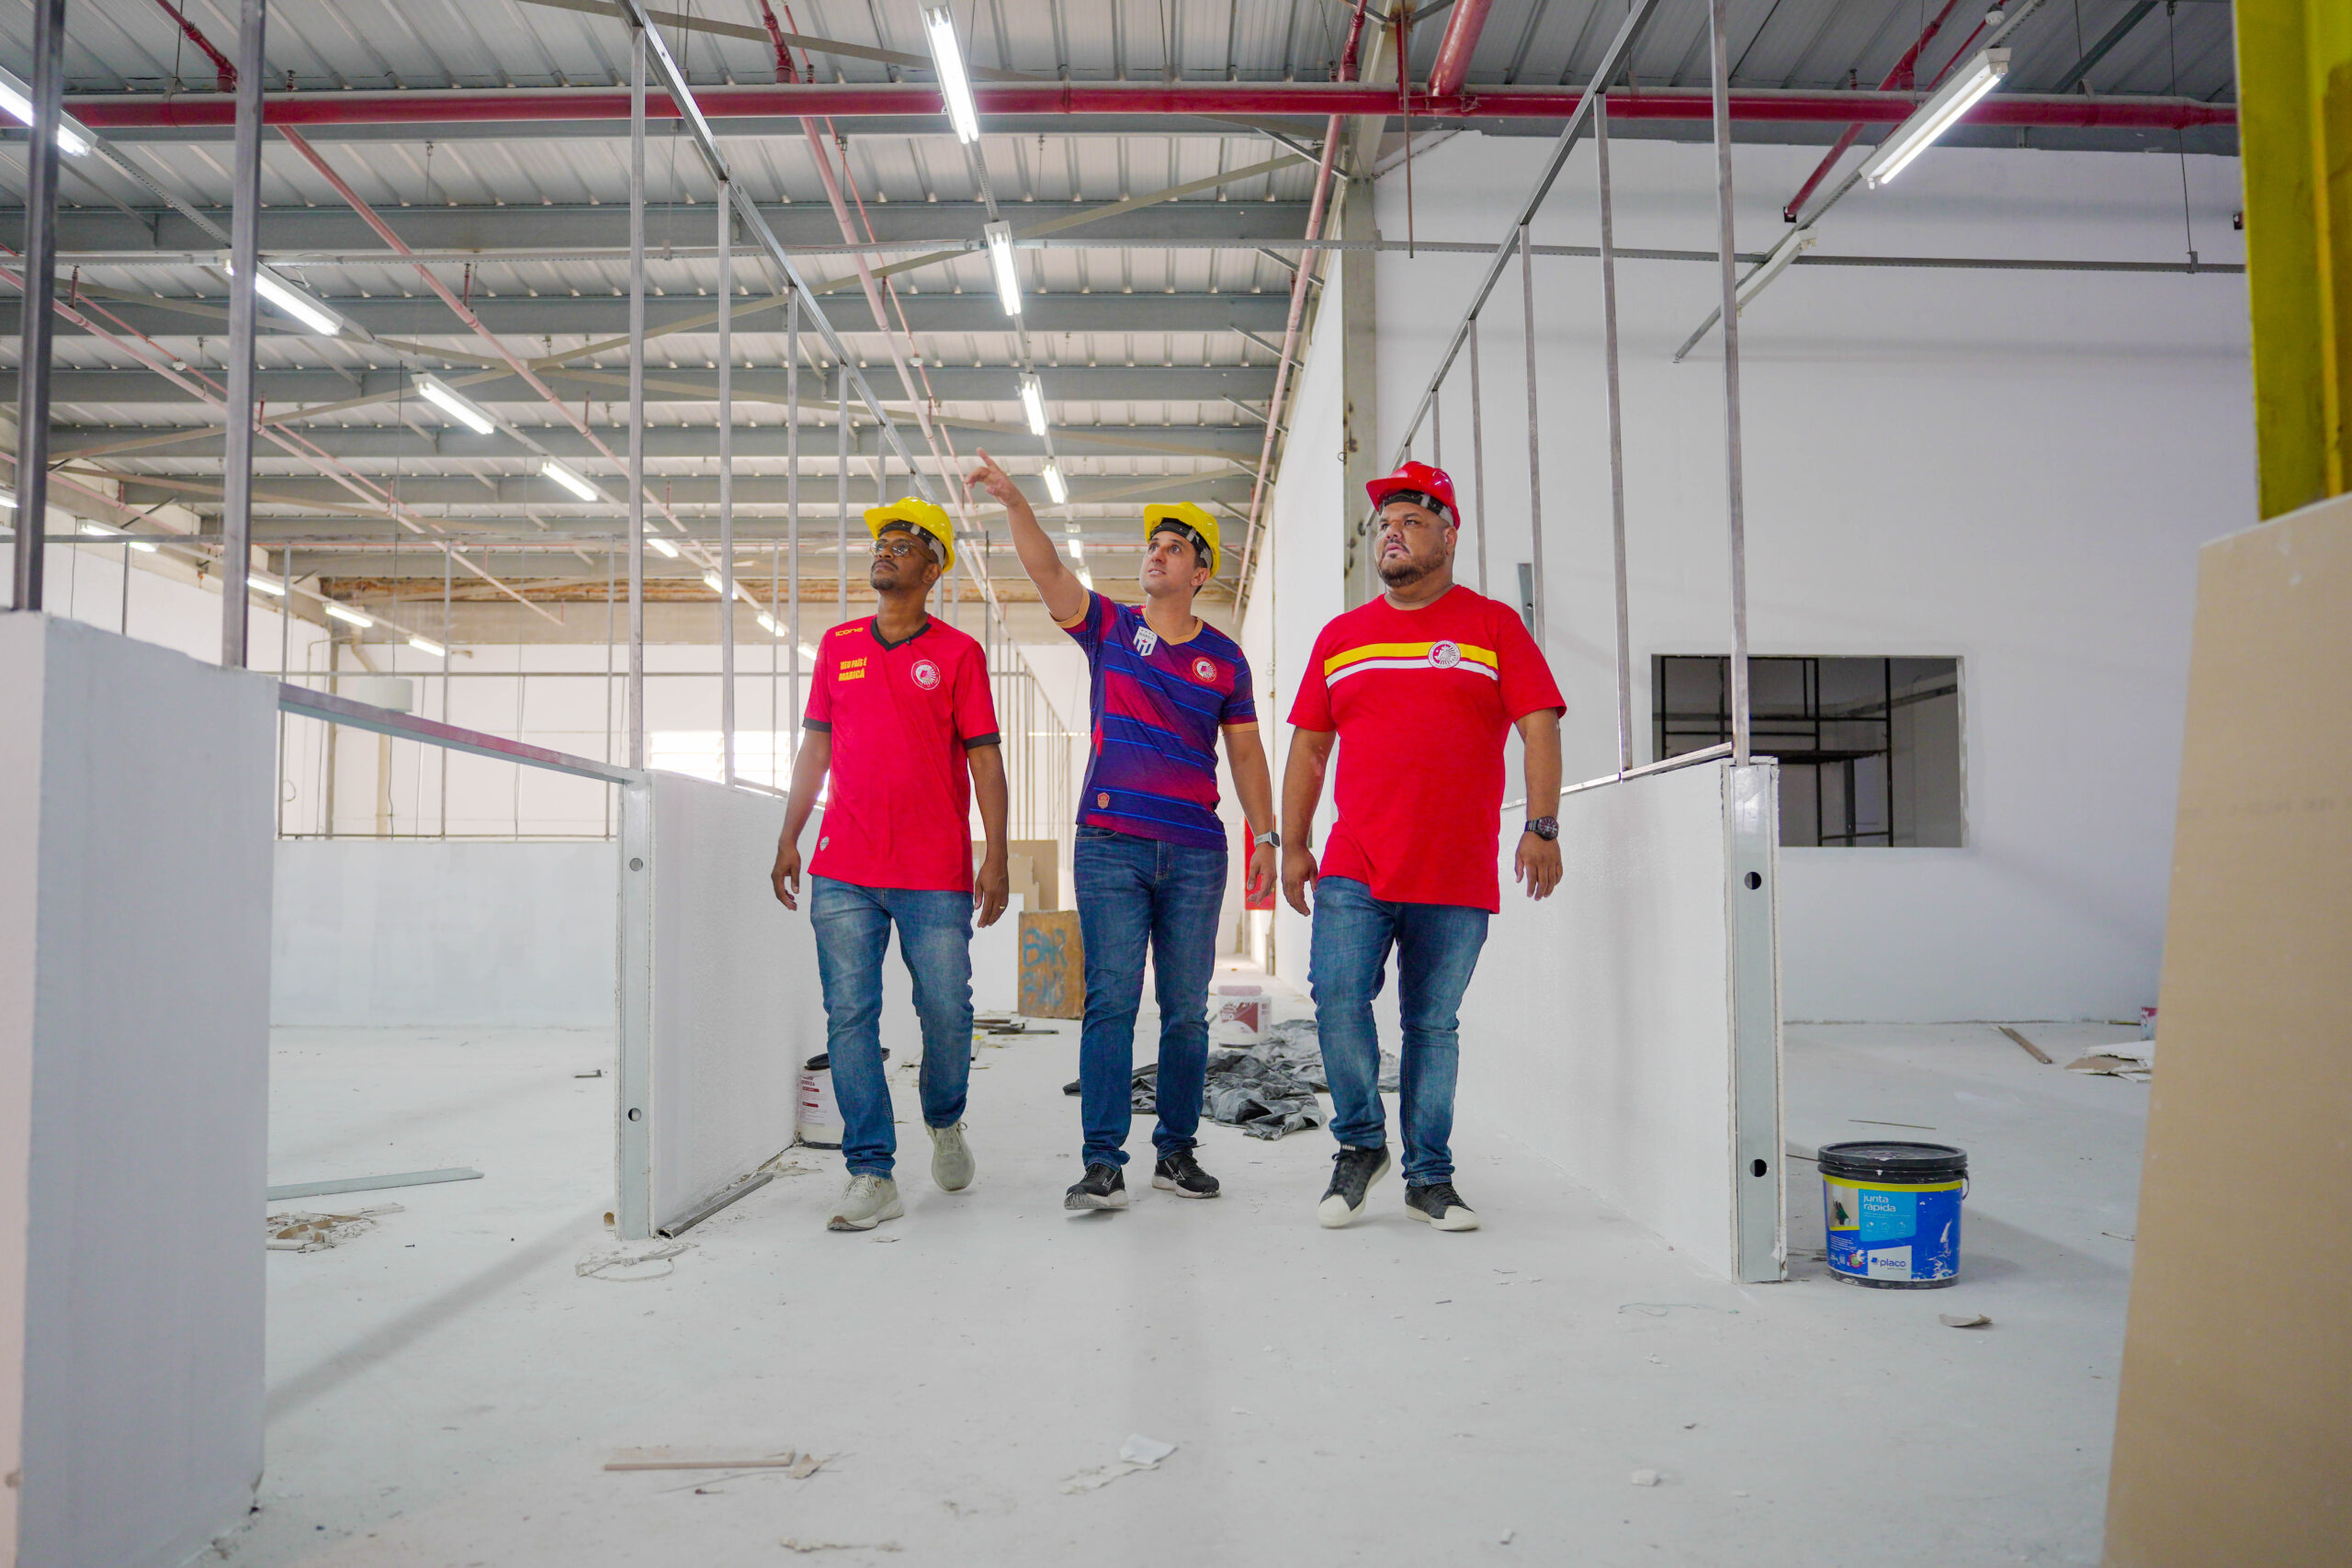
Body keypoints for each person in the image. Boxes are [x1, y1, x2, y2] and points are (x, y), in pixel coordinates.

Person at [964, 452, 1279, 1213]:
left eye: (1173, 547)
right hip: (1109, 845)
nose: (1156, 553)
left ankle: (1175, 1153)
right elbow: (1048, 576)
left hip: (1197, 853)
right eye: (1152, 545)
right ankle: (1103, 1162)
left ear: (1200, 570)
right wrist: (1015, 503)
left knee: (1185, 1008)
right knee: (1109, 1001)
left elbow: (1245, 753)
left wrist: (1268, 837)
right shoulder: (1110, 628)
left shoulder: (1225, 658)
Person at [1281, 460, 1564, 1234]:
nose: (1391, 533)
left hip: (1456, 870)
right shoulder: (1342, 637)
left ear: (1448, 532)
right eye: (1382, 524)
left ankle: (1428, 1175)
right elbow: (1308, 750)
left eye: (1409, 519)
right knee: (1338, 998)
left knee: (1432, 1027)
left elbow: (1539, 723)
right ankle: (1361, 1143)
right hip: (1355, 865)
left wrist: (1542, 825)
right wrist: (1294, 844)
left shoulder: (1493, 625)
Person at [770, 496, 1011, 1233]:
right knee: (850, 1015)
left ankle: (943, 1118)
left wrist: (995, 854)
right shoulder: (838, 645)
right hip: (843, 865)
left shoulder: (959, 654)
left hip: (933, 870)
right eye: (881, 541)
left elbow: (986, 763)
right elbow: (816, 749)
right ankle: (871, 1168)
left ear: (933, 568)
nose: (886, 550)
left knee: (946, 1010)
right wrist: (791, 835)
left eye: (905, 544)